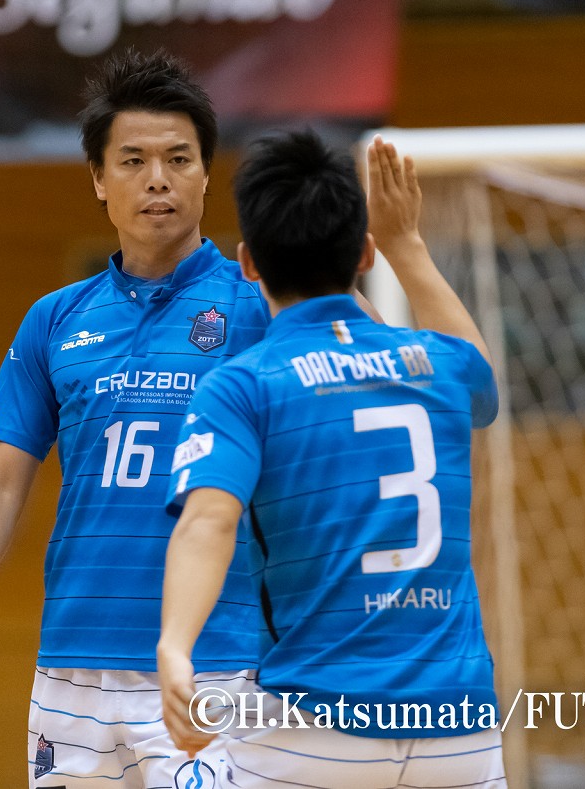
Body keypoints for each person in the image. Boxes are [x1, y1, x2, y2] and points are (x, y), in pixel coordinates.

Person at [0, 48, 276, 788]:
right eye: (134, 161)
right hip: (71, 668)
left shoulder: (257, 302)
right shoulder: (55, 319)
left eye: (179, 159)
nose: (158, 179)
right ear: (98, 178)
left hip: (213, 662)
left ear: (206, 174)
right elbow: (3, 481)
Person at [157, 133, 506, 788]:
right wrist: (407, 243)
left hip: (316, 726)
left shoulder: (244, 385)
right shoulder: (439, 363)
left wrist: (175, 645)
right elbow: (483, 383)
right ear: (365, 253)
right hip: (460, 729)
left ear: (248, 262)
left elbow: (208, 521)